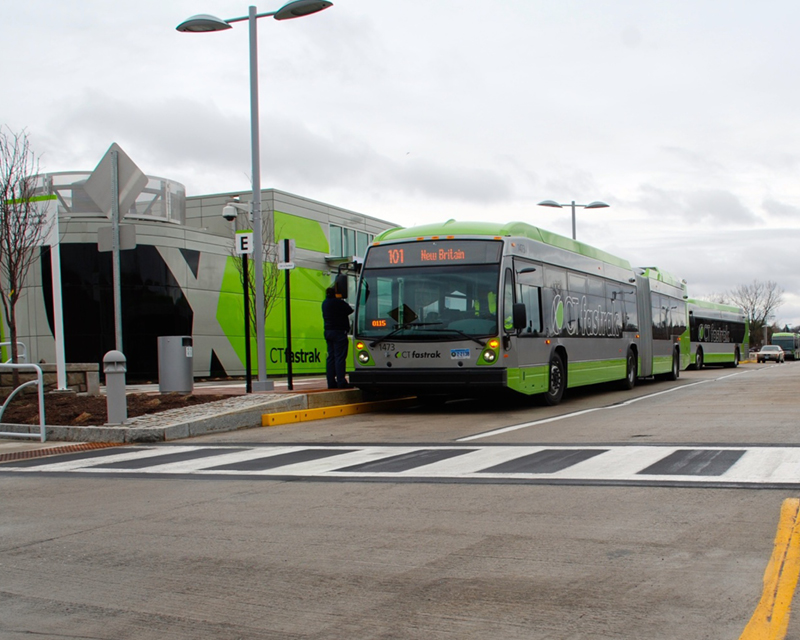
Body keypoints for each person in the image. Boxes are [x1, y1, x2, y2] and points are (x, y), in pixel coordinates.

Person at [322, 285, 354, 389]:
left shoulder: (325, 303)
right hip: (339, 332)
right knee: (340, 357)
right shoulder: (338, 302)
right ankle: (341, 381)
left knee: (330, 357)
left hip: (328, 331)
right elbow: (349, 310)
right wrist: (340, 299)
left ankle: (331, 382)